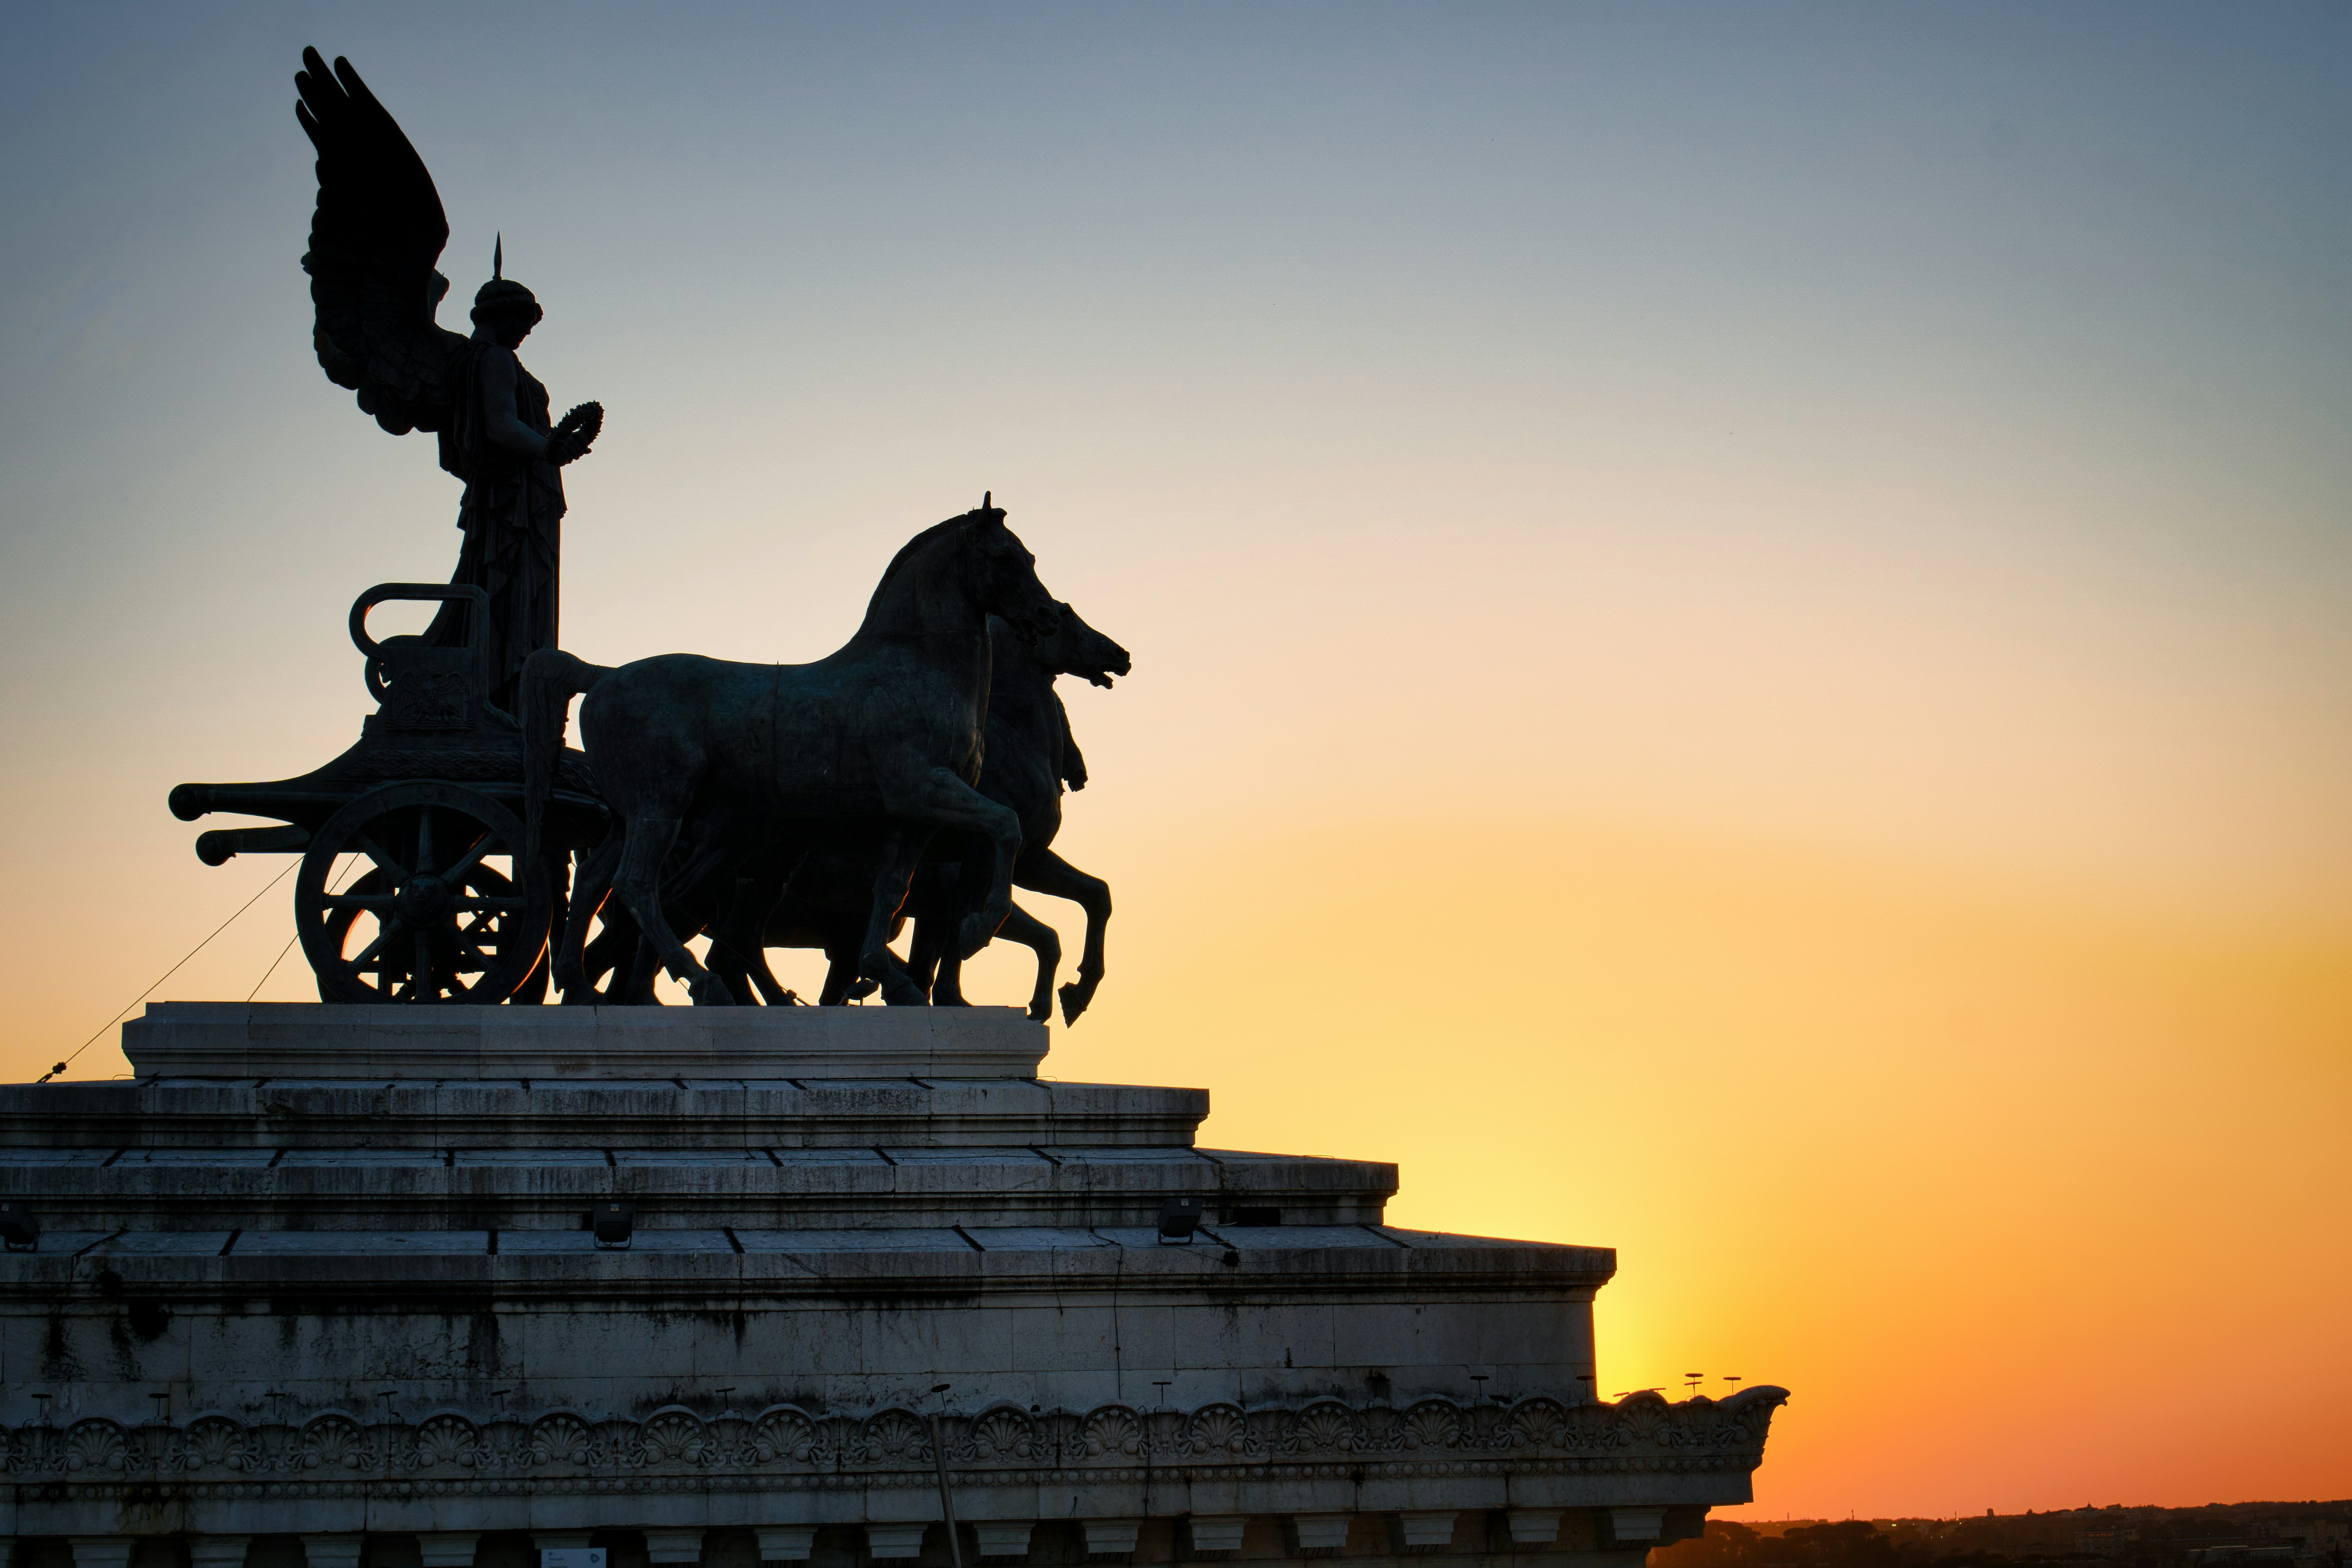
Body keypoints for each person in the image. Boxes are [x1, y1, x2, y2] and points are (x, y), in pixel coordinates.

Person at [425, 269, 598, 713]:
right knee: (514, 595)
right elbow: (500, 426)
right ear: (499, 315)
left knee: (508, 590)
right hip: (512, 501)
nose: (525, 333)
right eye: (523, 322)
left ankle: (499, 694)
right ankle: (503, 701)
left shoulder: (474, 358)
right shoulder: (494, 358)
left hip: (520, 495)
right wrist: (550, 449)